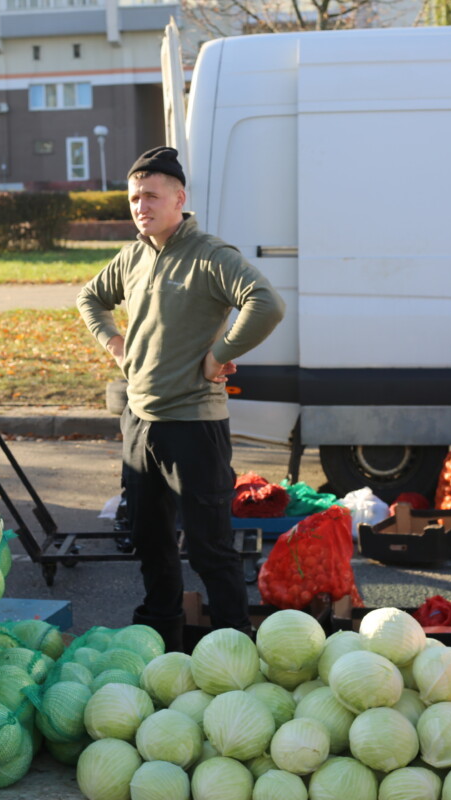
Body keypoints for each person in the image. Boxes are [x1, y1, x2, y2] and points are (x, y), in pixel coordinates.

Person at [77, 146, 286, 650]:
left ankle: (235, 645)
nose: (140, 206)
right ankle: (160, 640)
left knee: (211, 547)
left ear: (179, 198)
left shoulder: (211, 256)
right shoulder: (133, 255)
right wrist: (114, 344)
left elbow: (267, 304)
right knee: (150, 544)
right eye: (132, 198)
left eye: (150, 196)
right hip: (140, 422)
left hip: (194, 425)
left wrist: (221, 353)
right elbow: (90, 298)